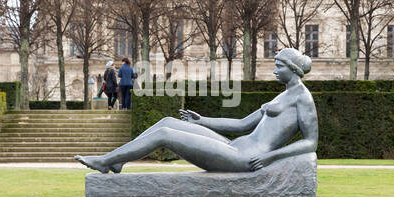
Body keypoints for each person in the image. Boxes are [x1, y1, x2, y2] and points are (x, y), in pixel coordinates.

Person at [76, 48, 317, 174]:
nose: (274, 70)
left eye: (279, 66)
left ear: (293, 69)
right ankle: (119, 161)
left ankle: (105, 161)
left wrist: (269, 157)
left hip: (246, 158)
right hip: (235, 146)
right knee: (167, 121)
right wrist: (202, 121)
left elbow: (310, 143)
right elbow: (243, 124)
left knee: (164, 136)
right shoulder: (284, 95)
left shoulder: (302, 98)